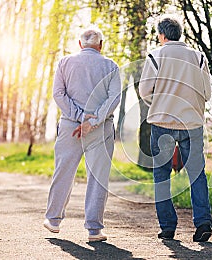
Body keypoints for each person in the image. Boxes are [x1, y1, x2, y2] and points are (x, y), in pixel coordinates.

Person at [139, 15, 212, 242]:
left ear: (162, 35)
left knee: (161, 176)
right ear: (179, 34)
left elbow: (144, 91)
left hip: (162, 123)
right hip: (192, 124)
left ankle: (168, 227)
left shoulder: (155, 56)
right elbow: (207, 94)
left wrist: (159, 103)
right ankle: (203, 223)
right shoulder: (199, 57)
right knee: (196, 174)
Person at [43, 27, 121, 242]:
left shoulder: (64, 63)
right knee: (98, 177)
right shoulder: (111, 66)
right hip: (101, 128)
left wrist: (79, 117)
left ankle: (53, 220)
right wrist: (92, 121)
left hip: (70, 126)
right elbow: (114, 98)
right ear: (101, 45)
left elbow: (58, 94)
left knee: (64, 171)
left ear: (80, 45)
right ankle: (94, 230)